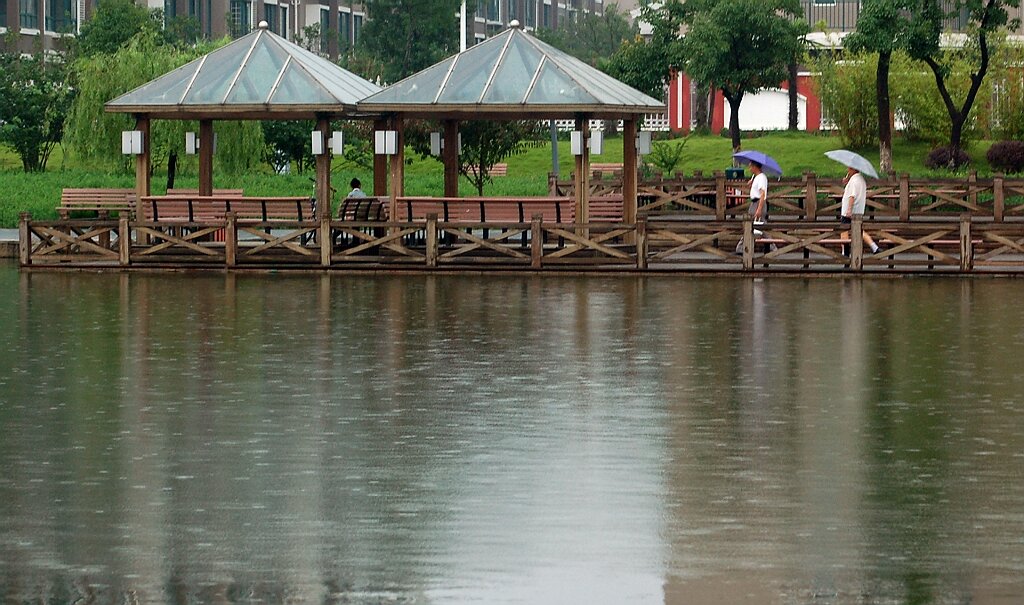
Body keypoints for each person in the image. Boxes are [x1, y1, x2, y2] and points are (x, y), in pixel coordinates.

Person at [840, 166, 881, 256]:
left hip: (850, 211)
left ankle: (845, 252)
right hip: (858, 210)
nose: (848, 170)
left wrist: (849, 209)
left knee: (843, 231)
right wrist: (847, 182)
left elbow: (852, 195)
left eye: (849, 169)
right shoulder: (860, 179)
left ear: (854, 169)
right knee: (859, 230)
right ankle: (874, 247)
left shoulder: (854, 181)